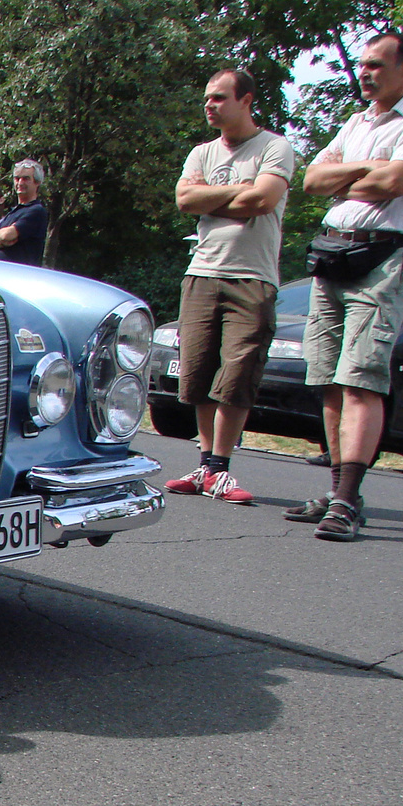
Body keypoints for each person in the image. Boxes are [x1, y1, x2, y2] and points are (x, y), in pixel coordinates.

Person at [291, 31, 403, 541]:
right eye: (362, 64)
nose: (365, 73)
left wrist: (347, 176)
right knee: (328, 379)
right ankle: (342, 491)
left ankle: (345, 502)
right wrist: (367, 168)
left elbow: (396, 183)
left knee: (361, 376)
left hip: (384, 256)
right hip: (334, 252)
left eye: (378, 65)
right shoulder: (357, 121)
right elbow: (312, 180)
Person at [164, 69, 296, 505]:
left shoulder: (274, 146)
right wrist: (239, 192)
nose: (210, 105)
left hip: (252, 278)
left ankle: (221, 467)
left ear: (246, 101)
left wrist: (215, 194)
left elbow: (263, 201)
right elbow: (184, 201)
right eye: (207, 98)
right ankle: (204, 465)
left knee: (237, 374)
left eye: (219, 98)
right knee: (198, 372)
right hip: (202, 272)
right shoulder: (201, 152)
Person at [0, 159, 48, 265]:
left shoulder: (36, 211)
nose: (20, 182)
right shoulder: (11, 214)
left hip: (16, 276)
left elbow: (6, 235)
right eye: (17, 178)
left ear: (37, 182)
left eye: (26, 179)